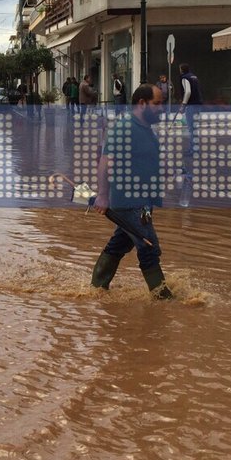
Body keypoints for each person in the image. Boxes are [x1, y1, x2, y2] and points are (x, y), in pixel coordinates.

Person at [91, 83, 173, 299]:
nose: (161, 108)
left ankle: (97, 289)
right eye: (157, 104)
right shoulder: (125, 127)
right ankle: (162, 297)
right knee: (149, 247)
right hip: (129, 201)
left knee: (122, 242)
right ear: (141, 103)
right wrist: (102, 195)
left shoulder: (144, 127)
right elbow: (105, 162)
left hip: (142, 201)